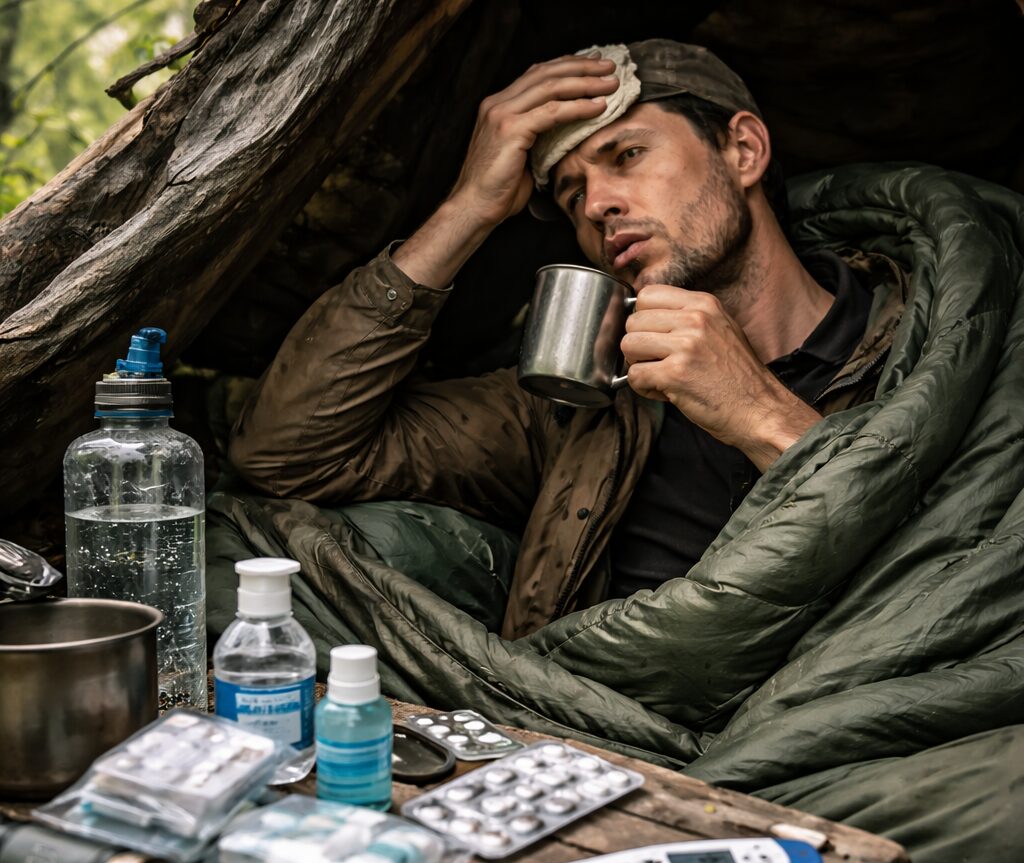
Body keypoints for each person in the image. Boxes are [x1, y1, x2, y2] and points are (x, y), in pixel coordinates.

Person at [228, 39, 905, 640]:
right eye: (572, 190)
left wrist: (759, 413)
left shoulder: (919, 351)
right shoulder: (584, 400)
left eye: (628, 155)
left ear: (744, 150)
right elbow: (288, 453)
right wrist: (470, 207)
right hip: (590, 726)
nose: (597, 204)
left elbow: (957, 583)